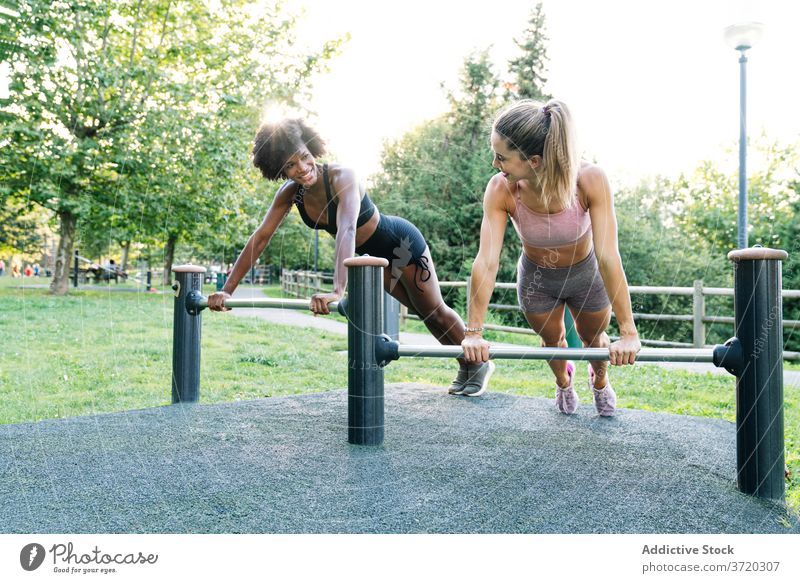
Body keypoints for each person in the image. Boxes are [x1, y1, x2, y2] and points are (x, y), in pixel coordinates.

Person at [207, 118, 494, 396]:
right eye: (290, 165)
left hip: (401, 244)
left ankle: (479, 363)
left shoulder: (343, 176)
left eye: (304, 157)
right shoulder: (290, 194)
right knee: (425, 315)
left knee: (436, 311)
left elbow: (346, 229)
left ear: (312, 148)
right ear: (279, 169)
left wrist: (336, 291)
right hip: (370, 260)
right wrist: (226, 290)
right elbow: (261, 238)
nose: (302, 168)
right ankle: (465, 364)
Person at [461, 99, 641, 416]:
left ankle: (599, 381)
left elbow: (608, 256)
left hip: (586, 276)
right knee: (552, 342)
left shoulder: (590, 180)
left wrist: (629, 333)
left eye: (501, 157)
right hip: (537, 280)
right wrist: (473, 332)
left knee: (594, 339)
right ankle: (563, 381)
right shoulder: (502, 189)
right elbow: (486, 261)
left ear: (533, 161)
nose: (494, 164)